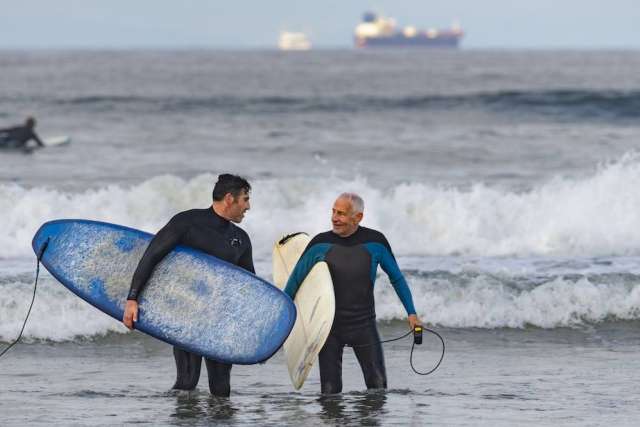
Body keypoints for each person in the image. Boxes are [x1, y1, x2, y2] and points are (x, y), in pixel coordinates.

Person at [122, 174, 254, 397]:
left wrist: (249, 323)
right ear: (230, 199)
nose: (248, 206)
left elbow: (249, 286)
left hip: (221, 322)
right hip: (187, 316)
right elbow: (152, 256)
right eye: (245, 199)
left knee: (222, 389)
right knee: (186, 383)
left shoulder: (240, 239)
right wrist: (132, 298)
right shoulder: (187, 223)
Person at [284, 192, 420, 394]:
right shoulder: (319, 244)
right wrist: (281, 319)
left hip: (363, 324)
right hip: (328, 327)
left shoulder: (376, 242)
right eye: (333, 211)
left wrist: (412, 313)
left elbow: (396, 278)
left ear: (358, 217)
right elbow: (295, 282)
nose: (334, 218)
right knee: (330, 393)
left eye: (341, 214)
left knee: (378, 388)